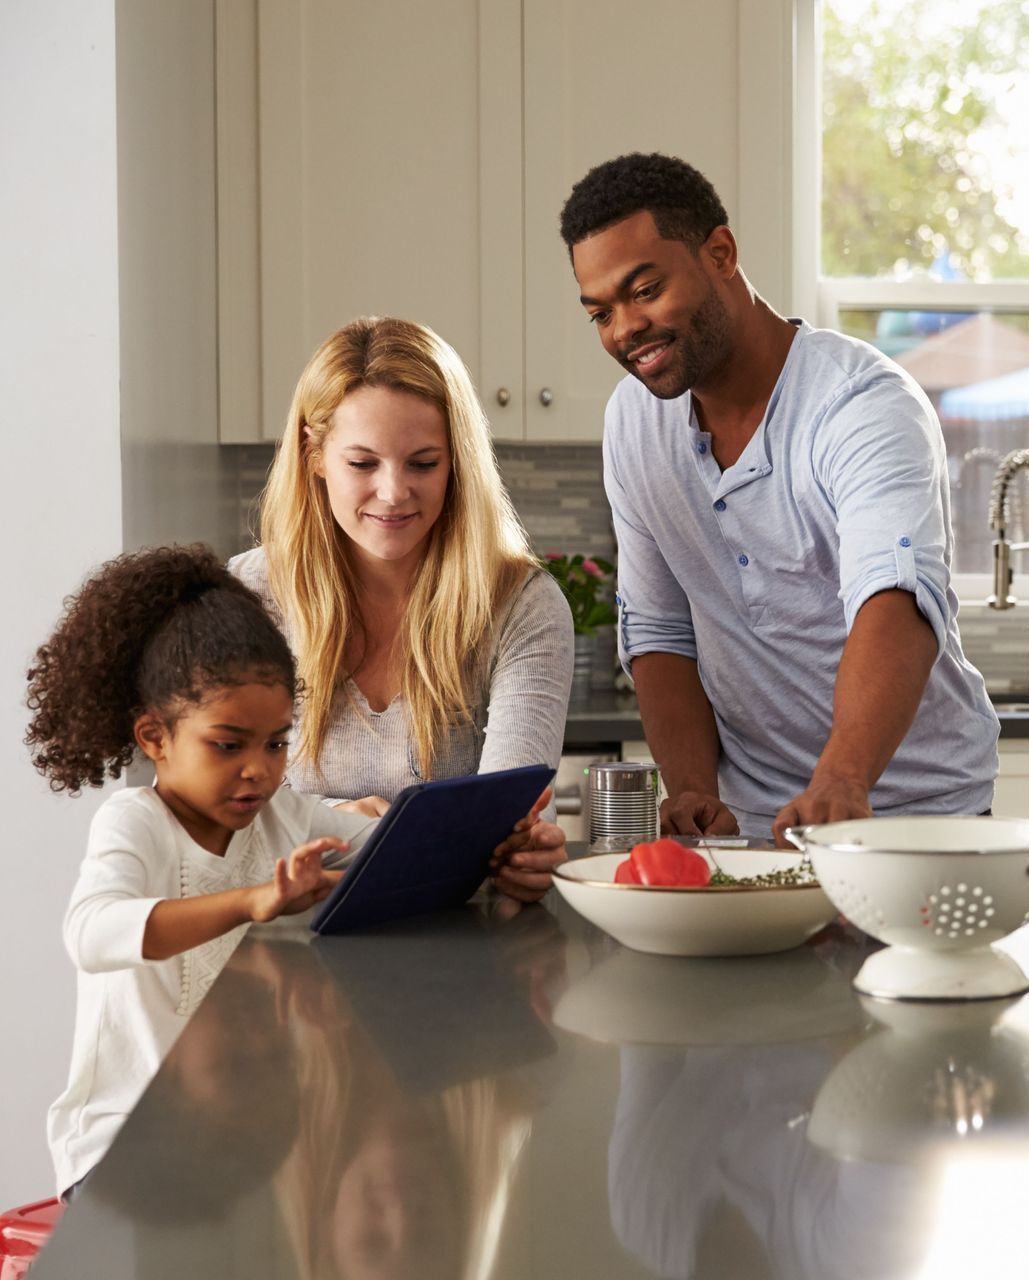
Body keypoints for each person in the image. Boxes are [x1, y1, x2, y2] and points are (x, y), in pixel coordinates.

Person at [24, 545, 555, 1199]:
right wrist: (253, 901)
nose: (258, 768)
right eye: (227, 744)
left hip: (236, 1135)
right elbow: (91, 932)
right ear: (155, 738)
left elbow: (401, 848)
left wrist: (500, 846)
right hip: (124, 1141)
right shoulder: (133, 823)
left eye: (276, 743)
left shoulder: (285, 815)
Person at [559, 151, 998, 843]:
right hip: (750, 826)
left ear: (721, 253)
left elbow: (893, 598)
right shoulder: (633, 422)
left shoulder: (859, 405)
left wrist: (841, 779)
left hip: (913, 817)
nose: (623, 330)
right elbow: (658, 630)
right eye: (600, 313)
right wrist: (696, 791)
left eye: (643, 291)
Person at [230, 315, 573, 897]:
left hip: (460, 938)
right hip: (279, 930)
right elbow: (214, 805)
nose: (394, 492)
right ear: (315, 455)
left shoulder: (522, 605)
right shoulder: (249, 596)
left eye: (423, 463)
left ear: (457, 463)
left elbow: (504, 815)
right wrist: (340, 822)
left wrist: (525, 850)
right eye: (362, 463)